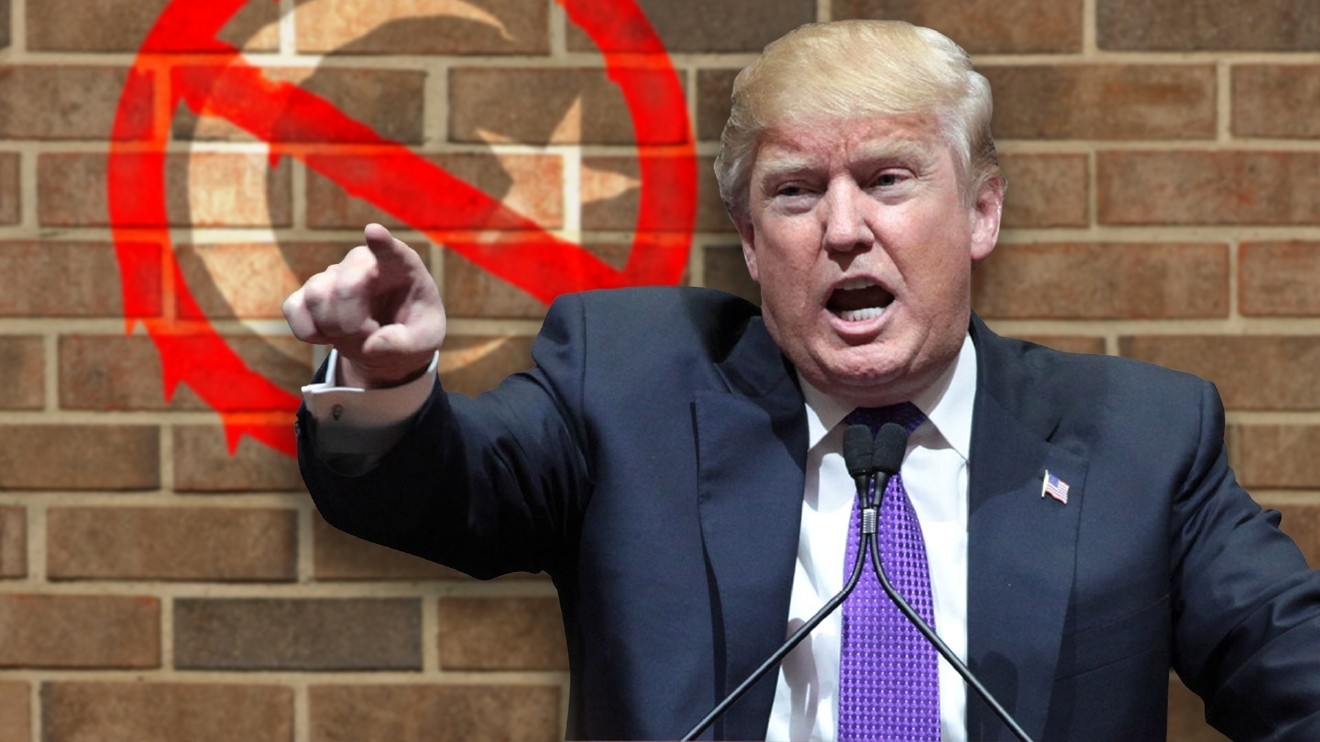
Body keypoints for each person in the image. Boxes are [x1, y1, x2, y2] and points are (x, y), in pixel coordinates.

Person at [283, 20, 1320, 742]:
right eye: (795, 192)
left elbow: (1290, 663)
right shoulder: (632, 383)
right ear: (748, 240)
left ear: (982, 213)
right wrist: (385, 376)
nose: (843, 228)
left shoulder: (1143, 438)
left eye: (887, 179)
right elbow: (450, 486)